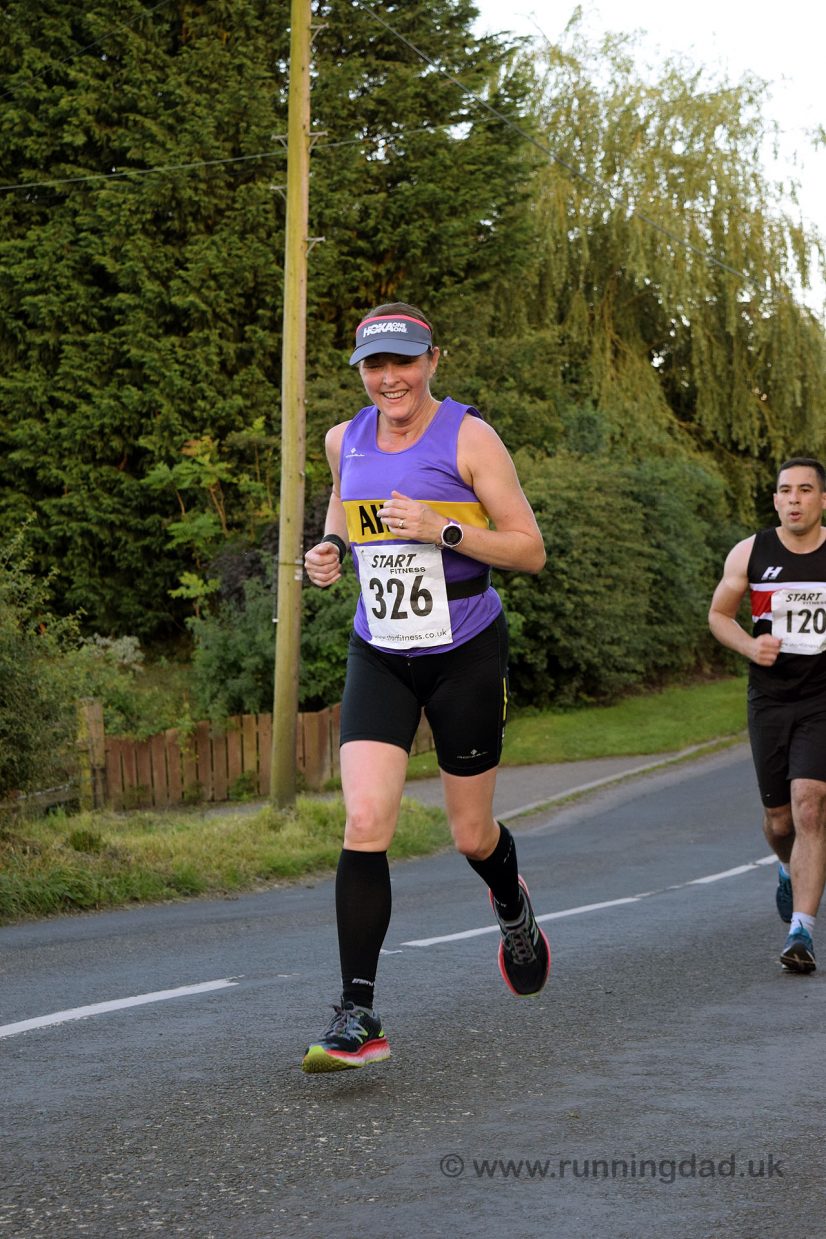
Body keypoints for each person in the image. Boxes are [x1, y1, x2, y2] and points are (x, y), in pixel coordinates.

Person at [300, 302, 550, 1072]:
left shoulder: (470, 437)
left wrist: (440, 527)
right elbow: (347, 497)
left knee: (471, 834)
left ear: (432, 360)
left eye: (403, 362)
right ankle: (358, 1012)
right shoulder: (345, 437)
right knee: (365, 816)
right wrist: (333, 544)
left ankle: (512, 907)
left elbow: (528, 549)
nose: (389, 378)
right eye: (375, 366)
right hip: (381, 648)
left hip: (465, 649)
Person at [708, 457, 826, 975]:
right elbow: (719, 614)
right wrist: (750, 647)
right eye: (785, 491)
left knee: (810, 804)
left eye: (805, 490)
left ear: (823, 499)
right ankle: (785, 866)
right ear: (775, 499)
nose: (794, 499)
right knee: (780, 822)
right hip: (772, 700)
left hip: (822, 699)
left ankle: (802, 931)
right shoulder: (751, 552)